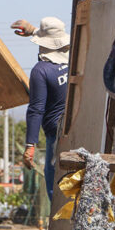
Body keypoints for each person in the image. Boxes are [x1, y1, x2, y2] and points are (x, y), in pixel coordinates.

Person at [10, 17, 69, 201]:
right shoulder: (74, 56)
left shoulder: (41, 70)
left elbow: (36, 109)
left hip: (56, 133)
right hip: (78, 123)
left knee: (54, 184)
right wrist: (35, 30)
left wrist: (30, 145)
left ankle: (60, 226)